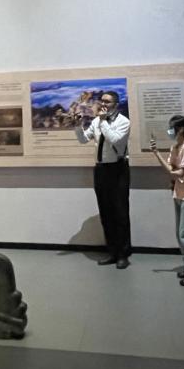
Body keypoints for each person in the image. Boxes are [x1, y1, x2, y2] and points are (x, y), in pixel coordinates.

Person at [76, 90, 131, 268]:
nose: (103, 104)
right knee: (106, 213)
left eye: (107, 102)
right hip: (101, 169)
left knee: (120, 212)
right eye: (102, 101)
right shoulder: (96, 121)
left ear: (116, 104)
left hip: (118, 169)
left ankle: (123, 254)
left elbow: (115, 140)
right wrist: (77, 126)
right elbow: (83, 140)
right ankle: (112, 251)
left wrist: (104, 121)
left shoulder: (124, 122)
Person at [151, 115, 184, 285]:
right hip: (178, 194)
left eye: (171, 127)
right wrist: (157, 153)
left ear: (180, 129)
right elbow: (172, 168)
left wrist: (157, 155)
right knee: (181, 234)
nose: (169, 131)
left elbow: (177, 173)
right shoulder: (175, 147)